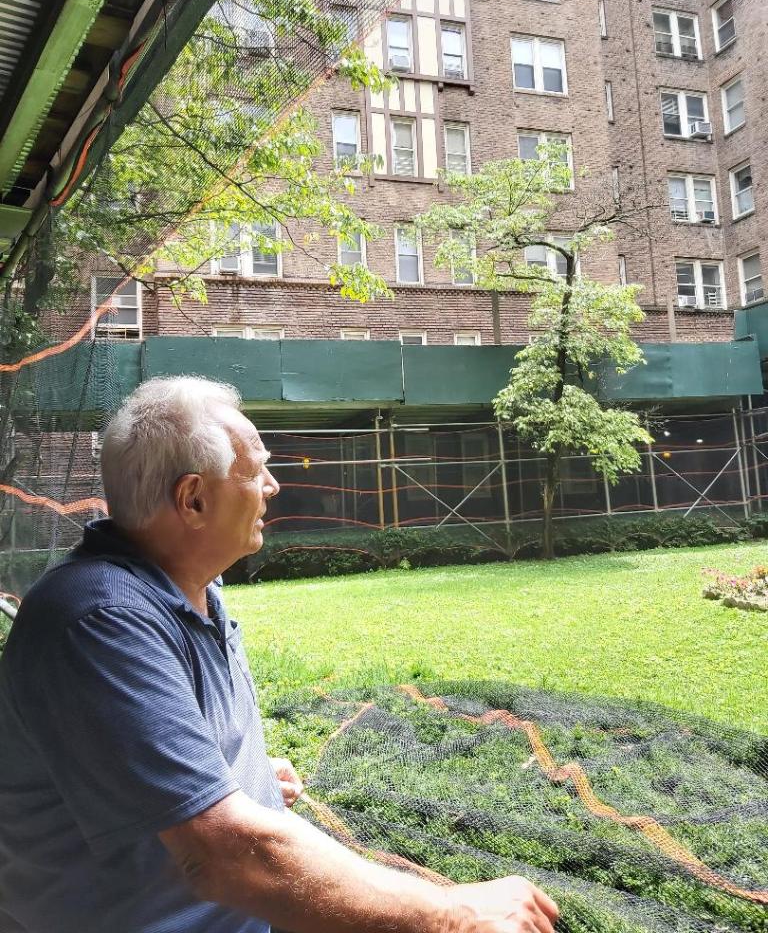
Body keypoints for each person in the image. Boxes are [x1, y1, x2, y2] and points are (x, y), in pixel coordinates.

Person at [0, 376, 559, 933]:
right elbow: (224, 854)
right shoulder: (102, 621)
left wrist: (231, 776)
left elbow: (133, 755)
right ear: (194, 499)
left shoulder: (189, 587)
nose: (272, 486)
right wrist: (456, 918)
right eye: (255, 471)